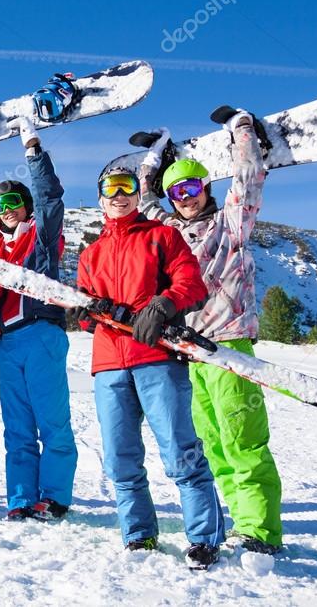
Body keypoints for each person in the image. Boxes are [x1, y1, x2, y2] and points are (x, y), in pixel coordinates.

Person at [137, 111, 283, 555]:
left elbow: (250, 177)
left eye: (193, 188)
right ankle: (240, 521)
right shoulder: (169, 232)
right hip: (188, 352)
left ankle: (260, 531)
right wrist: (153, 156)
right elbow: (144, 202)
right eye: (177, 191)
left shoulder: (230, 224)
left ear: (206, 188)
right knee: (212, 446)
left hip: (229, 345)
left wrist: (241, 128)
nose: (185, 198)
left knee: (243, 440)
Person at [76, 163, 226, 570]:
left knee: (180, 452)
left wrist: (164, 304)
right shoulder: (90, 253)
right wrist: (88, 315)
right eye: (111, 188)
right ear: (101, 197)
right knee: (120, 459)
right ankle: (139, 534)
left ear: (136, 194)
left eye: (127, 187)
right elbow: (85, 310)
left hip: (157, 359)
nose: (119, 195)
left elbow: (192, 282)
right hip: (108, 364)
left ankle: (204, 538)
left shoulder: (163, 236)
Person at [0, 117, 77, 522]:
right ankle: (20, 499)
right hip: (7, 344)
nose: (7, 210)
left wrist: (32, 149)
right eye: (1, 206)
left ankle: (54, 497)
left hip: (41, 335)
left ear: (25, 208)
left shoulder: (41, 235)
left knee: (51, 423)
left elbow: (51, 198)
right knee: (17, 429)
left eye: (14, 203)